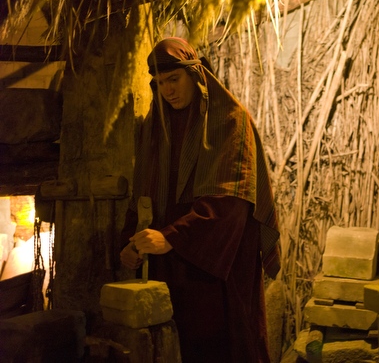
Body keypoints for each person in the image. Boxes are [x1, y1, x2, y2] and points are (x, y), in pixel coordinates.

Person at [119, 37, 280, 362]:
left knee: (226, 346)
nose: (168, 90)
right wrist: (132, 241)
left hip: (219, 263)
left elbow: (231, 203)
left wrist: (171, 237)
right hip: (172, 264)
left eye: (174, 79)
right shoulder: (157, 125)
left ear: (194, 75)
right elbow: (145, 193)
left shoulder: (229, 121)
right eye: (160, 83)